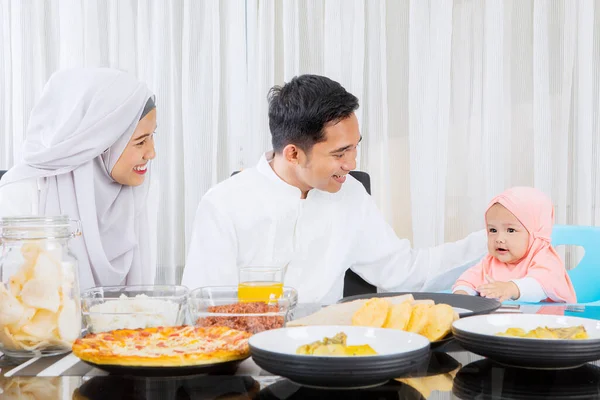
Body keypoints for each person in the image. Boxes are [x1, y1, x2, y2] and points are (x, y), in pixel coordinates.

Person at [183, 74, 487, 304]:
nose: (351, 164)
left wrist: (490, 243)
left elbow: (402, 271)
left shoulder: (350, 194)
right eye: (340, 153)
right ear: (293, 154)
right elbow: (205, 308)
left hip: (327, 359)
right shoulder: (224, 204)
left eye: (355, 148)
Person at [0, 67, 157, 291]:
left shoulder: (140, 189)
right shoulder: (21, 192)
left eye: (153, 136)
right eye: (141, 142)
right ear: (100, 143)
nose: (151, 153)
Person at [453, 187, 576, 303]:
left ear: (535, 233)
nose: (499, 239)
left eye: (511, 230)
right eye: (493, 230)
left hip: (546, 321)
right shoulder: (490, 262)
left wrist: (511, 288)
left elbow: (542, 285)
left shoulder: (546, 259)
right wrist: (462, 293)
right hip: (506, 322)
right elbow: (468, 280)